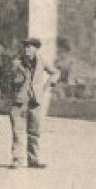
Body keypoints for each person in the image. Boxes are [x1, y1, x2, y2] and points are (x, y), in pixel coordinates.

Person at [9, 37, 58, 169]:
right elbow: (7, 79)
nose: (27, 50)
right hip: (19, 101)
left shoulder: (42, 61)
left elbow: (56, 72)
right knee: (17, 131)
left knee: (34, 131)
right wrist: (14, 88)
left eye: (30, 47)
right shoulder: (16, 62)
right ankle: (17, 160)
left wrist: (47, 85)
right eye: (25, 47)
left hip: (35, 100)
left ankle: (33, 160)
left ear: (36, 49)